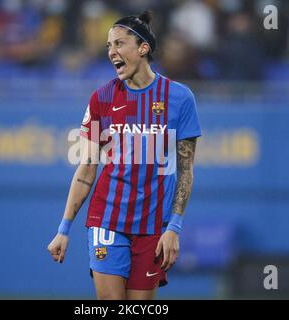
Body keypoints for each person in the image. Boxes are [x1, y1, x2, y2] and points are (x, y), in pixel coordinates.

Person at [47, 10, 201, 300]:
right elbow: (86, 169)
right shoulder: (102, 98)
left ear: (143, 48)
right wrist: (63, 228)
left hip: (153, 227)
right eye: (108, 46)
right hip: (107, 220)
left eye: (118, 44)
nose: (111, 52)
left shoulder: (180, 99)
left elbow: (186, 171)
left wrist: (174, 228)